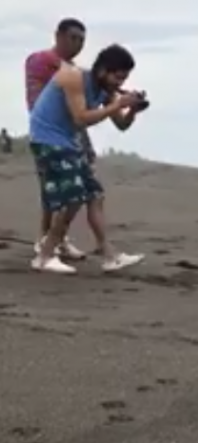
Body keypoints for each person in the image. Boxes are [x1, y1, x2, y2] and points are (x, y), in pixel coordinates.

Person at [28, 44, 147, 274]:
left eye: (124, 79)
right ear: (102, 70)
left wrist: (131, 109)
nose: (119, 84)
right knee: (73, 197)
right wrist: (116, 105)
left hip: (69, 141)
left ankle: (110, 256)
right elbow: (81, 118)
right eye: (117, 77)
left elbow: (121, 124)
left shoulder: (107, 90)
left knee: (94, 194)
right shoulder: (73, 77)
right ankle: (44, 256)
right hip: (46, 138)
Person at [25, 18, 90, 260]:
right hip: (47, 130)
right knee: (52, 186)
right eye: (73, 38)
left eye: (82, 40)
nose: (77, 44)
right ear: (59, 36)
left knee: (73, 187)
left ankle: (59, 237)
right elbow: (39, 99)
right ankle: (45, 238)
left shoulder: (72, 70)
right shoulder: (42, 60)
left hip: (71, 128)